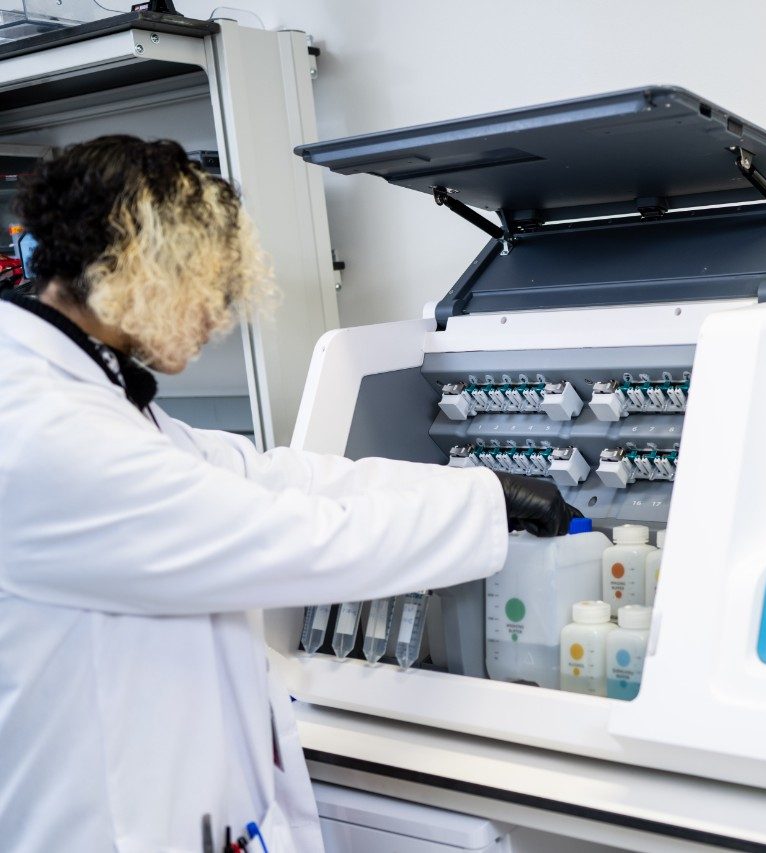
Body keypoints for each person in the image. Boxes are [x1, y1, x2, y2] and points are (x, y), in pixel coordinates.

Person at [0, 136, 579, 852]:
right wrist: (483, 509)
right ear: (135, 263)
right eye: (208, 282)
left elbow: (273, 474)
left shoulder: (93, 395)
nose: (219, 314)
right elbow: (293, 539)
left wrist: (483, 487)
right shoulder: (39, 427)